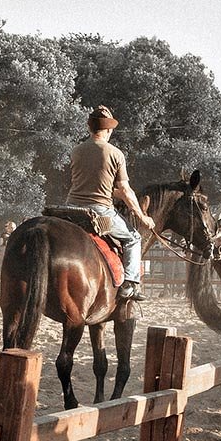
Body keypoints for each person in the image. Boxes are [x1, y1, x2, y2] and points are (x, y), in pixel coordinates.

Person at [66, 105, 156, 301]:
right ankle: (130, 284)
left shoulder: (75, 151)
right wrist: (142, 217)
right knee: (133, 238)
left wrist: (115, 193)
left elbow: (90, 184)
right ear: (108, 130)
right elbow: (124, 190)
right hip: (100, 212)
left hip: (71, 207)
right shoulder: (115, 154)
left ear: (90, 129)